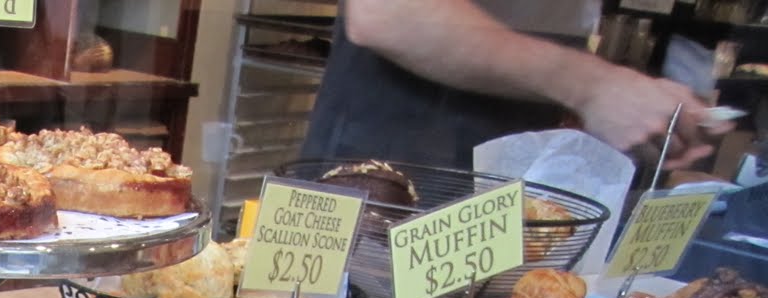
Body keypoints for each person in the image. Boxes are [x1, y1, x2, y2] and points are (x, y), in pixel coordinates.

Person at [299, 0, 719, 170]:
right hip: (389, 153)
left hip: (502, 167)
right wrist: (592, 87)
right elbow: (386, 12)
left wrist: (625, 106)